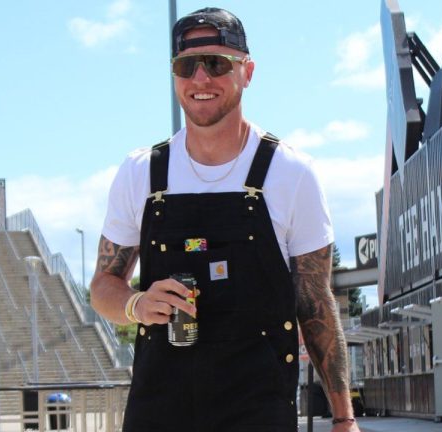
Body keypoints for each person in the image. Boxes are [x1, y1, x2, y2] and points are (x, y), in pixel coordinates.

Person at [90, 7, 360, 432]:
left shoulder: (291, 173)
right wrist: (136, 304)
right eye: (185, 66)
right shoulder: (141, 172)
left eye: (216, 64)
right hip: (161, 407)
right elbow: (103, 287)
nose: (200, 79)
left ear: (247, 71)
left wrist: (343, 419)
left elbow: (314, 302)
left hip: (258, 409)